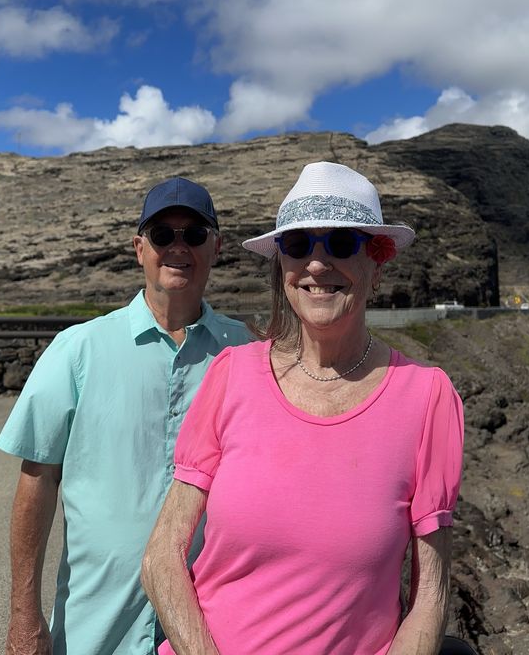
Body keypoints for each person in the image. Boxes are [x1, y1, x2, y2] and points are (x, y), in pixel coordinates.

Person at [142, 161, 465, 655]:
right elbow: (163, 555)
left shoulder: (427, 397)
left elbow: (431, 592)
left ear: (375, 266)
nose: (316, 264)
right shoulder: (231, 375)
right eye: (297, 246)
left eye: (340, 243)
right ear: (283, 267)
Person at [0, 177, 254, 655]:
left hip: (212, 629)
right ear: (140, 248)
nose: (178, 247)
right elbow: (36, 480)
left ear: (215, 247)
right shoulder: (78, 349)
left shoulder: (248, 353)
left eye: (193, 234)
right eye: (163, 235)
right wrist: (24, 616)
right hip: (98, 631)